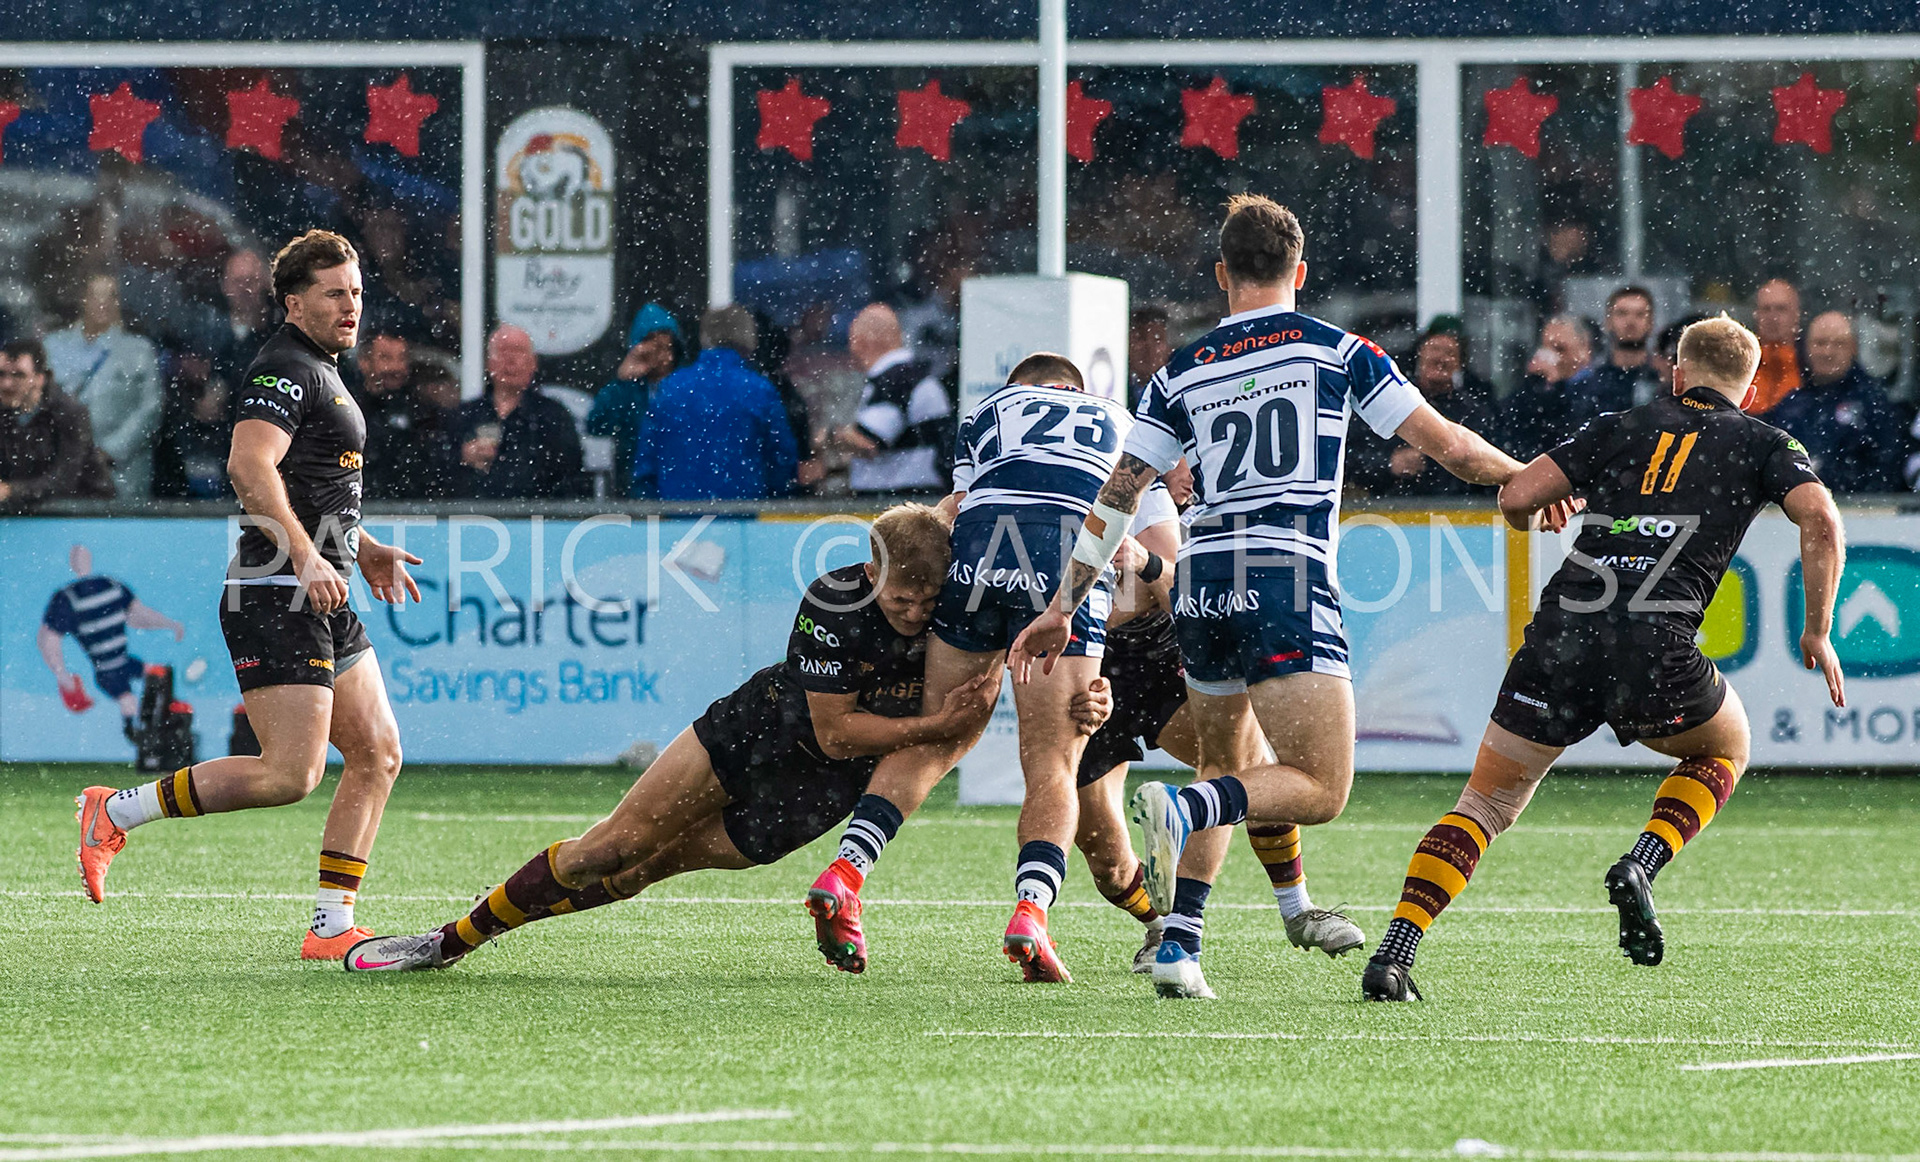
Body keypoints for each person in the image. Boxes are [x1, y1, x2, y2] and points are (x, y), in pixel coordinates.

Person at [1010, 194, 1531, 1000]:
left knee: (1229, 760)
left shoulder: (1179, 370)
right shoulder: (1338, 351)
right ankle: (1183, 816)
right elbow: (1453, 448)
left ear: (1221, 276)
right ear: (1301, 270)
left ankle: (1180, 946)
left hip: (1203, 575)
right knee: (1320, 787)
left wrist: (1059, 605)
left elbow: (1118, 496)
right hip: (1284, 570)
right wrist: (1536, 479)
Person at [339, 506, 1109, 972]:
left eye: (929, 601)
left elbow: (1047, 658)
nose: (916, 615)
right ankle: (455, 938)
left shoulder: (957, 610)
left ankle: (503, 913)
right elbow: (836, 732)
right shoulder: (837, 597)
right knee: (611, 846)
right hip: (762, 730)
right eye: (904, 601)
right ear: (873, 574)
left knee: (645, 873)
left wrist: (1092, 695)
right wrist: (935, 727)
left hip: (816, 796)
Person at [1361, 315, 1846, 1002]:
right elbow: (1822, 519)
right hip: (1657, 648)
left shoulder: (1618, 423)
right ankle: (1642, 862)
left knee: (1484, 805)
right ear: (1752, 385)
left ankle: (1394, 955)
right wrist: (1818, 630)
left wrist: (1555, 503)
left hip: (1564, 635)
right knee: (1726, 745)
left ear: (1676, 374)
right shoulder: (1766, 442)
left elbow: (1517, 495)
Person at [76, 229, 426, 962]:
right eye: (335, 292)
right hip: (275, 590)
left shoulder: (322, 370)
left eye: (357, 291)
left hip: (317, 589)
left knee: (378, 754)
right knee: (286, 775)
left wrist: (362, 549)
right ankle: (116, 810)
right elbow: (248, 467)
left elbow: (310, 487)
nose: (350, 305)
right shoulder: (285, 369)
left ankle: (331, 927)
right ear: (294, 301)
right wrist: (305, 555)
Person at [807, 352, 1137, 986]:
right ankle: (1030, 913)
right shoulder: (1118, 418)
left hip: (981, 547)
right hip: (1069, 549)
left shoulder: (985, 412)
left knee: (941, 733)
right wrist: (1100, 668)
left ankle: (845, 874)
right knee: (1051, 762)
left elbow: (950, 513)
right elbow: (1138, 552)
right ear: (1074, 387)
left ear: (1018, 388)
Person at [1068, 460, 1364, 983]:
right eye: (1185, 458)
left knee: (1245, 767)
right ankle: (1161, 928)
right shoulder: (1073, 494)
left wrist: (1146, 568)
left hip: (1155, 667)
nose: (1191, 473)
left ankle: (1292, 909)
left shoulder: (1160, 498)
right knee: (1106, 860)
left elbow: (1173, 596)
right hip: (1077, 677)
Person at [630, 305, 796, 501]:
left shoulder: (670, 388)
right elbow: (783, 462)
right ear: (750, 340)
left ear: (704, 338)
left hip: (677, 519)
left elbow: (645, 465)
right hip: (742, 521)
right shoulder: (759, 390)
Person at [40, 544, 183, 737]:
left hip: (124, 661)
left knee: (160, 675)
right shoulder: (67, 598)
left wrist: (169, 624)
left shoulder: (111, 585)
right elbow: (49, 639)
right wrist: (62, 674)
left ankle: (157, 730)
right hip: (106, 669)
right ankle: (139, 735)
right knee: (128, 701)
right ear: (72, 563)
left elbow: (138, 616)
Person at [42, 272, 163, 500]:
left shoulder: (139, 350)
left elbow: (151, 409)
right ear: (82, 299)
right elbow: (40, 402)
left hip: (121, 471)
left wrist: (110, 450)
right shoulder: (53, 346)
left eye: (111, 296)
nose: (103, 303)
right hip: (62, 467)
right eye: (95, 295)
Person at [1349, 327, 1497, 498]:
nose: (1440, 358)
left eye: (1449, 352)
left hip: (1456, 513)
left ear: (1459, 364)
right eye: (1434, 349)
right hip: (1387, 511)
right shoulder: (1389, 398)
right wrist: (1388, 464)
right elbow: (1349, 456)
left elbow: (1487, 469)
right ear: (1420, 356)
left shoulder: (1475, 413)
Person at [447, 325, 589, 500]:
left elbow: (572, 478)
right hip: (473, 519)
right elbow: (434, 473)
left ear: (533, 363)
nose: (511, 360)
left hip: (536, 520)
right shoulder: (465, 414)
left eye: (519, 351)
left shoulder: (553, 416)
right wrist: (462, 456)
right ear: (489, 363)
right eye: (503, 351)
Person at [1767, 312, 1902, 495]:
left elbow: (1887, 470)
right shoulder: (1790, 406)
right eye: (1820, 343)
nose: (1827, 352)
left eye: (1838, 343)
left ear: (1853, 348)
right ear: (1806, 347)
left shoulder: (1874, 404)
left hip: (1859, 515)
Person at [831, 304, 954, 496]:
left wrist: (829, 436)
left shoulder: (896, 380)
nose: (850, 348)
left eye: (852, 340)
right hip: (919, 496)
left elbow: (867, 441)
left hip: (898, 501)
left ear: (859, 341)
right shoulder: (913, 375)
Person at [0, 338, 113, 510]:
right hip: (29, 510)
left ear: (40, 378)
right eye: (1, 374)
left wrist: (11, 490)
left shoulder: (70, 413)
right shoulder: (4, 412)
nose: (6, 384)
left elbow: (65, 480)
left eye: (18, 375)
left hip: (86, 513)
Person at [587, 304, 683, 499]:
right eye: (653, 346)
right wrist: (624, 382)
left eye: (666, 346)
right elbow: (596, 425)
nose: (661, 356)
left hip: (677, 483)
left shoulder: (684, 387)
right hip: (633, 489)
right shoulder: (627, 391)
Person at [354, 330, 454, 499]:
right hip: (365, 508)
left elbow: (436, 469)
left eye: (402, 358)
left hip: (417, 512)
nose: (396, 367)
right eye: (386, 358)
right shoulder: (350, 410)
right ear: (364, 362)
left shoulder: (424, 412)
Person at [1497, 314, 1596, 463]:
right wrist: (1533, 385)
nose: (1550, 357)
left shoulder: (1594, 388)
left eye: (1560, 349)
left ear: (1584, 349)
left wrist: (1555, 388)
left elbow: (1571, 434)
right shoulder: (1534, 391)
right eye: (1545, 349)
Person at [1569, 286, 1661, 414]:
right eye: (1622, 313)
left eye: (1640, 314)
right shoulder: (1586, 383)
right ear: (1608, 322)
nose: (1630, 321)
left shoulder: (1663, 381)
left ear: (1651, 323)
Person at [1750, 278, 1805, 415]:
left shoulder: (1812, 364)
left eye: (1781, 309)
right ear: (1756, 315)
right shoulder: (1740, 363)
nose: (1772, 317)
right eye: (1766, 309)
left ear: (1796, 315)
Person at [1127, 305, 1173, 410]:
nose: (1149, 347)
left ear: (1169, 348)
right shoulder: (1117, 389)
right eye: (1140, 338)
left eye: (1157, 339)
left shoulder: (1176, 391)